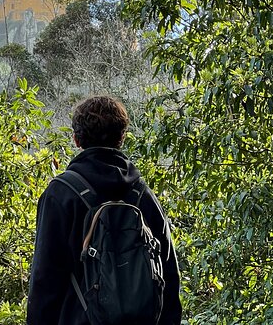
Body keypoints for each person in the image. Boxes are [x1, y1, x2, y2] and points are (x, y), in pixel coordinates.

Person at [27, 96, 182, 324]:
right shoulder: (142, 194)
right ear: (122, 137)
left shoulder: (61, 194)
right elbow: (168, 272)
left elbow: (45, 279)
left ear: (76, 139)